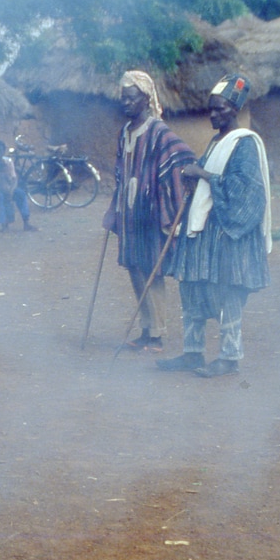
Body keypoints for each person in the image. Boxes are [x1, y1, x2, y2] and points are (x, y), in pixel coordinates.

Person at [158, 74, 271, 378]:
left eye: (220, 109)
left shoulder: (243, 143)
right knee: (192, 289)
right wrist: (193, 177)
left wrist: (205, 175)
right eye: (210, 108)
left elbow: (248, 191)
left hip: (227, 237)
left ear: (234, 110)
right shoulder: (217, 141)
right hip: (204, 233)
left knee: (226, 294)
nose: (213, 114)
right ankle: (193, 353)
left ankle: (230, 357)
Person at [101, 70, 196, 353]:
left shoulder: (158, 131)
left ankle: (158, 333)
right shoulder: (125, 133)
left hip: (150, 212)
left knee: (151, 269)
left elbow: (183, 157)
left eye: (131, 98)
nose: (126, 103)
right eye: (123, 99)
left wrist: (167, 195)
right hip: (129, 213)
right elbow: (120, 174)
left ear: (145, 99)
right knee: (133, 266)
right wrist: (112, 209)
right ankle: (145, 328)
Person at [0, 139, 37, 232]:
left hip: (8, 189)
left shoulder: (8, 162)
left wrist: (11, 191)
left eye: (0, 150)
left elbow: (14, 179)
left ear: (4, 151)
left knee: (21, 194)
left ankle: (26, 222)